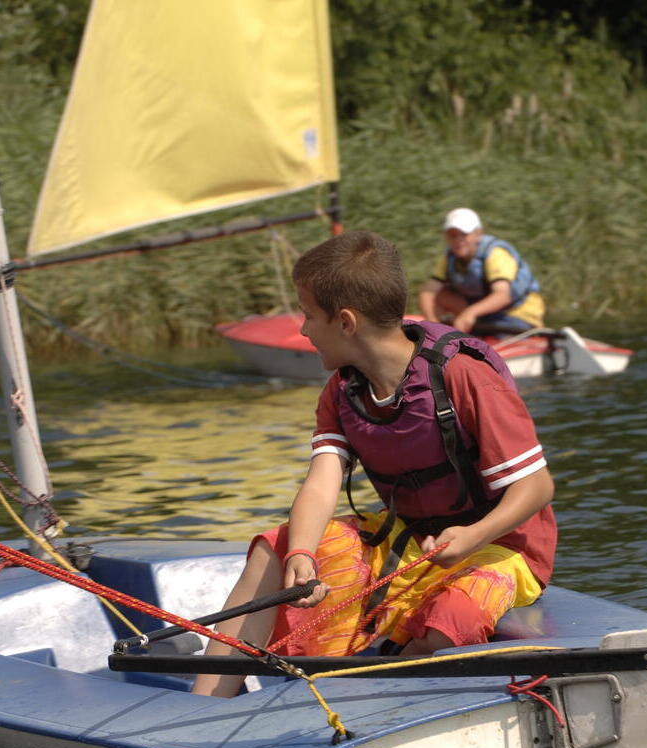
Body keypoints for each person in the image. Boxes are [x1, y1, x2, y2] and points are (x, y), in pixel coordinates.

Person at [192, 230, 556, 698]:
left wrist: (472, 536)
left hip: (499, 545)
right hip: (407, 536)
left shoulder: (466, 377)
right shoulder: (342, 392)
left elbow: (537, 487)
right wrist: (301, 553)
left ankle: (373, 709)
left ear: (345, 322)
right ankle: (207, 705)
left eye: (308, 316)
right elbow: (322, 484)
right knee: (274, 548)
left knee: (453, 620)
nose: (302, 329)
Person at [418, 208, 546, 334]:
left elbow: (503, 295)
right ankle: (445, 333)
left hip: (516, 315)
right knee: (440, 294)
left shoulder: (496, 254)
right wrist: (433, 325)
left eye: (464, 234)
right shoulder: (450, 257)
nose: (458, 240)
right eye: (452, 235)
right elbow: (428, 292)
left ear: (478, 234)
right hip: (483, 315)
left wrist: (470, 313)